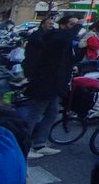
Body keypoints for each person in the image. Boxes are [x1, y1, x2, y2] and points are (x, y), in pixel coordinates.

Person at [17, 13, 77, 160]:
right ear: (62, 25)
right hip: (46, 82)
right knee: (36, 113)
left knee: (52, 112)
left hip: (55, 83)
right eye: (71, 25)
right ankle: (24, 146)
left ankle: (40, 143)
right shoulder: (55, 37)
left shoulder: (63, 40)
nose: (74, 28)